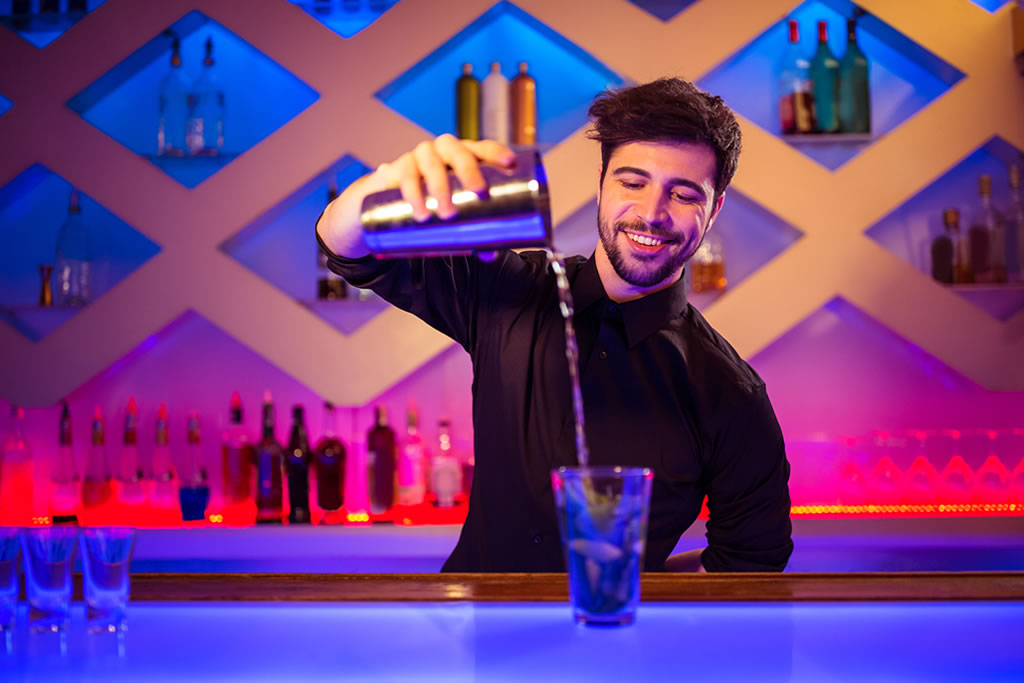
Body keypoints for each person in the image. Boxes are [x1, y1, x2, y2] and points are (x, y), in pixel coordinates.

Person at [316, 78, 793, 573]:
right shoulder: (507, 290)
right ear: (602, 182)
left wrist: (635, 588)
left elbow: (752, 560)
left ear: (714, 210)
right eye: (633, 183)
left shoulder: (731, 392)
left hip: (612, 624)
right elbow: (346, 251)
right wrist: (387, 184)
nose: (652, 214)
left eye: (684, 194)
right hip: (477, 619)